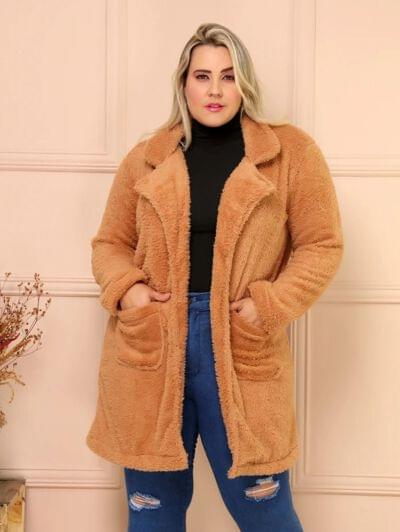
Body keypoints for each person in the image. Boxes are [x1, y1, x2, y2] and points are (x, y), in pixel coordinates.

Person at [86, 22, 344, 532]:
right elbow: (109, 244)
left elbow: (321, 245)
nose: (215, 90)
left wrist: (268, 306)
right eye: (202, 76)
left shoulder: (289, 154)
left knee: (266, 511)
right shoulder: (146, 159)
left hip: (240, 341)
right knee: (152, 514)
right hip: (154, 342)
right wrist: (130, 291)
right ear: (184, 83)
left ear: (244, 83)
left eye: (228, 76)